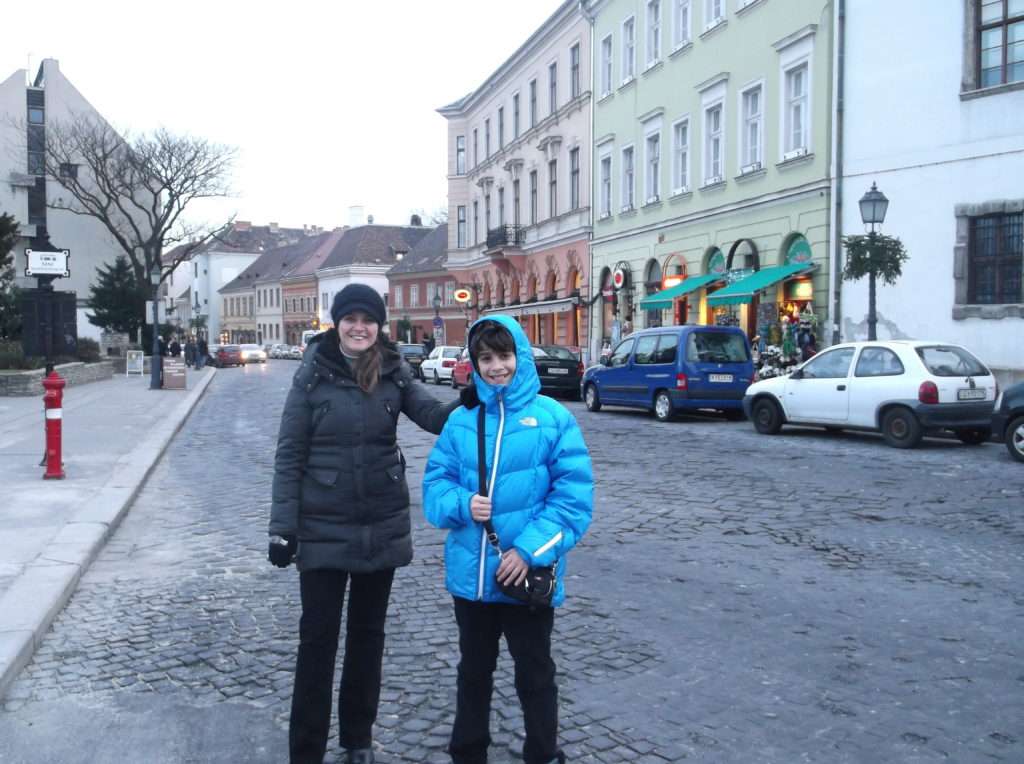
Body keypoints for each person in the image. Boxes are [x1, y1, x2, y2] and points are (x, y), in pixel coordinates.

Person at [269, 283, 469, 764]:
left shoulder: (394, 372)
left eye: (368, 319)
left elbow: (433, 416)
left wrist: (473, 397)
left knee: (367, 639)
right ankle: (306, 750)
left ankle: (357, 739)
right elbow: (289, 453)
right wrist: (282, 527)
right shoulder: (312, 375)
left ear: (378, 326)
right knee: (317, 642)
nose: (359, 327)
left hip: (379, 523)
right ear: (336, 323)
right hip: (321, 527)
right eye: (350, 318)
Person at [423, 316, 594, 764]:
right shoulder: (462, 420)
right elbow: (433, 488)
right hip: (471, 577)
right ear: (475, 364)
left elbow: (573, 501)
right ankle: (468, 753)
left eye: (503, 356)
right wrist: (462, 503)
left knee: (535, 674)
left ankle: (541, 753)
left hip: (526, 575)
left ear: (518, 355)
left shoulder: (553, 418)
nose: (496, 367)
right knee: (473, 673)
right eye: (486, 358)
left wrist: (527, 550)